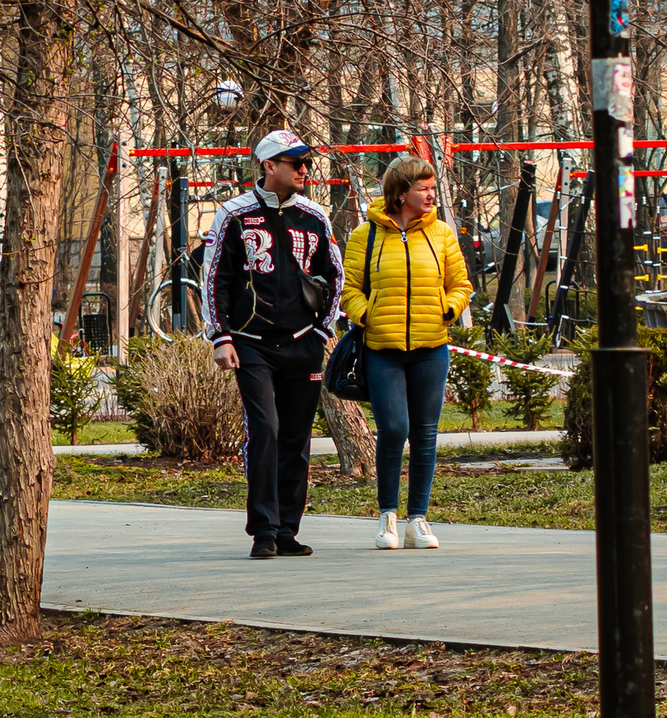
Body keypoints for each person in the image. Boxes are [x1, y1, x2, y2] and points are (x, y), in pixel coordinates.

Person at [201, 129, 344, 559]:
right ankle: (263, 529)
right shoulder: (234, 214)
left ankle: (286, 530)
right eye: (296, 163)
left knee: (296, 437)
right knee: (266, 429)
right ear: (269, 166)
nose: (304, 170)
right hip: (251, 344)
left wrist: (323, 330)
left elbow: (334, 275)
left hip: (303, 342)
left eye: (307, 163)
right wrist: (220, 336)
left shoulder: (314, 216)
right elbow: (215, 278)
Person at [344, 150, 471, 551]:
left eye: (432, 188)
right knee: (394, 429)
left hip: (432, 348)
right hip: (382, 349)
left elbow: (461, 284)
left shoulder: (442, 234)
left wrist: (448, 309)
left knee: (425, 434)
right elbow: (349, 289)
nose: (431, 195)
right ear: (401, 193)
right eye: (424, 188)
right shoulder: (365, 235)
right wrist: (367, 315)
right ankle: (388, 517)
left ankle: (418, 519)